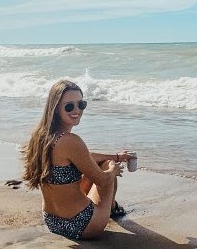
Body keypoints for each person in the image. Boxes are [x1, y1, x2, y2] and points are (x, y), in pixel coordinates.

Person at [22, 79, 135, 240]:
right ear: (55, 109)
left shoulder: (40, 137)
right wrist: (113, 169)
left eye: (81, 104)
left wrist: (117, 156)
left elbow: (85, 158)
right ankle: (112, 208)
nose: (77, 110)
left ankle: (113, 206)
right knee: (107, 167)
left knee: (98, 164)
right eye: (69, 106)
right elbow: (103, 181)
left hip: (53, 222)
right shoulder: (71, 140)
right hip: (82, 225)